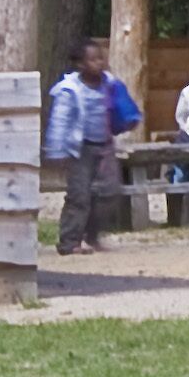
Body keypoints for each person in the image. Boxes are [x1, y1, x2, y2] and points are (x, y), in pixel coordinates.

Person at [45, 40, 139, 255]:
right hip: (80, 149)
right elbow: (59, 121)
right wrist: (56, 151)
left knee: (110, 191)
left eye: (101, 58)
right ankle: (69, 241)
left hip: (105, 146)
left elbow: (123, 107)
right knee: (79, 196)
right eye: (93, 59)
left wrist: (129, 119)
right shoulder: (69, 90)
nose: (99, 63)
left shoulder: (111, 85)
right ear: (81, 64)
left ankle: (92, 236)